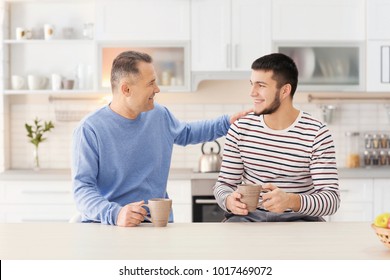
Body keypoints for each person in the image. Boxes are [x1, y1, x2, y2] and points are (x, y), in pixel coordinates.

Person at [72, 50, 250, 227]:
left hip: (156, 224)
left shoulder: (158, 114)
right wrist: (116, 214)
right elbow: (82, 190)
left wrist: (227, 123)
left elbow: (187, 132)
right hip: (110, 226)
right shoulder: (90, 129)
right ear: (126, 89)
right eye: (150, 83)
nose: (157, 89)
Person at [213, 53, 340, 222]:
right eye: (252, 84)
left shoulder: (316, 133)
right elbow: (224, 185)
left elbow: (331, 200)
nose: (252, 93)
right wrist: (228, 200)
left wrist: (292, 201)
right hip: (248, 219)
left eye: (261, 85)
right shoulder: (239, 129)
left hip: (300, 220)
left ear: (285, 90)